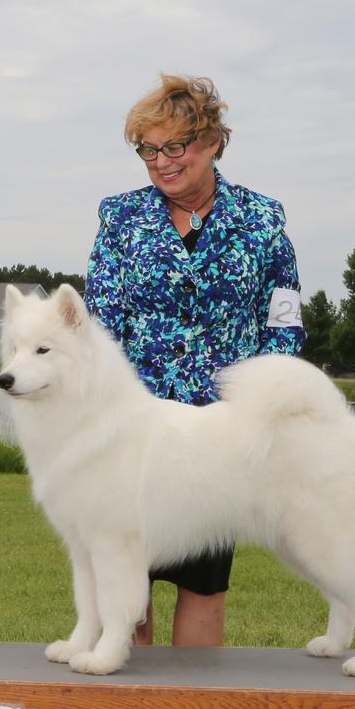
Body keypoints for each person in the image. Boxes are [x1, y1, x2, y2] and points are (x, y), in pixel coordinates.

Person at [85, 73, 306, 648]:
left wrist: (256, 405)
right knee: (124, 570)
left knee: (203, 583)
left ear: (211, 143)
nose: (160, 162)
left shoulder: (264, 220)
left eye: (173, 147)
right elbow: (99, 326)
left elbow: (284, 329)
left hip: (219, 435)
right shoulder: (119, 218)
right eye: (148, 150)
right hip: (131, 432)